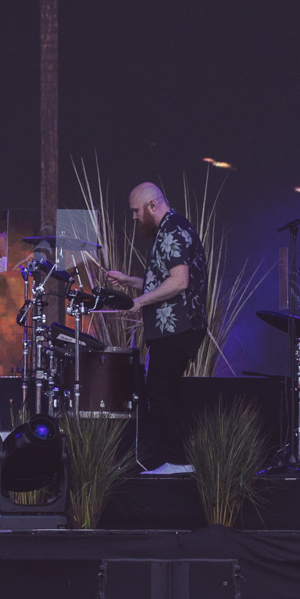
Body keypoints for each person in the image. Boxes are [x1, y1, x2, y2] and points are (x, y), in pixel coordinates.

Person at [105, 182, 207, 475]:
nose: (134, 217)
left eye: (136, 211)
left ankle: (177, 462)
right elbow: (165, 280)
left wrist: (138, 302)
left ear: (152, 206)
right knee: (164, 391)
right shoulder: (169, 230)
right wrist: (129, 280)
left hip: (178, 326)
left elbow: (179, 282)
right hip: (175, 326)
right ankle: (176, 461)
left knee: (160, 390)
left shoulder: (172, 230)